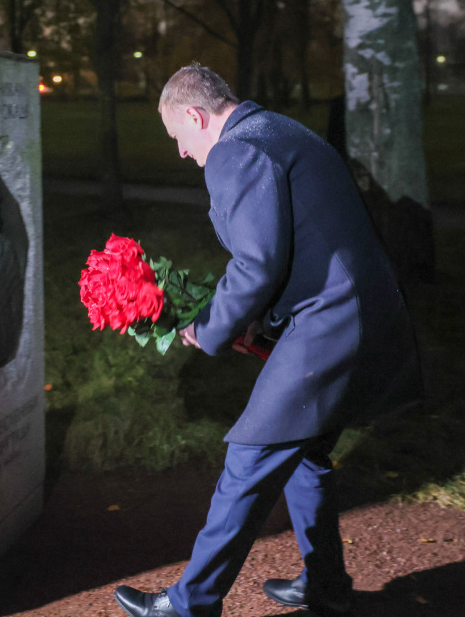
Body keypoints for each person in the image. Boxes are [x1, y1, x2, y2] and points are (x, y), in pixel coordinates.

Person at [113, 64, 422, 617]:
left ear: (194, 116)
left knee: (250, 457)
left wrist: (208, 327)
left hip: (331, 324)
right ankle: (326, 588)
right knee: (306, 455)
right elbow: (300, 241)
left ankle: (190, 605)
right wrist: (256, 319)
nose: (181, 152)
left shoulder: (235, 151)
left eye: (178, 137)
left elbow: (256, 263)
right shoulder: (278, 130)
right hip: (359, 311)